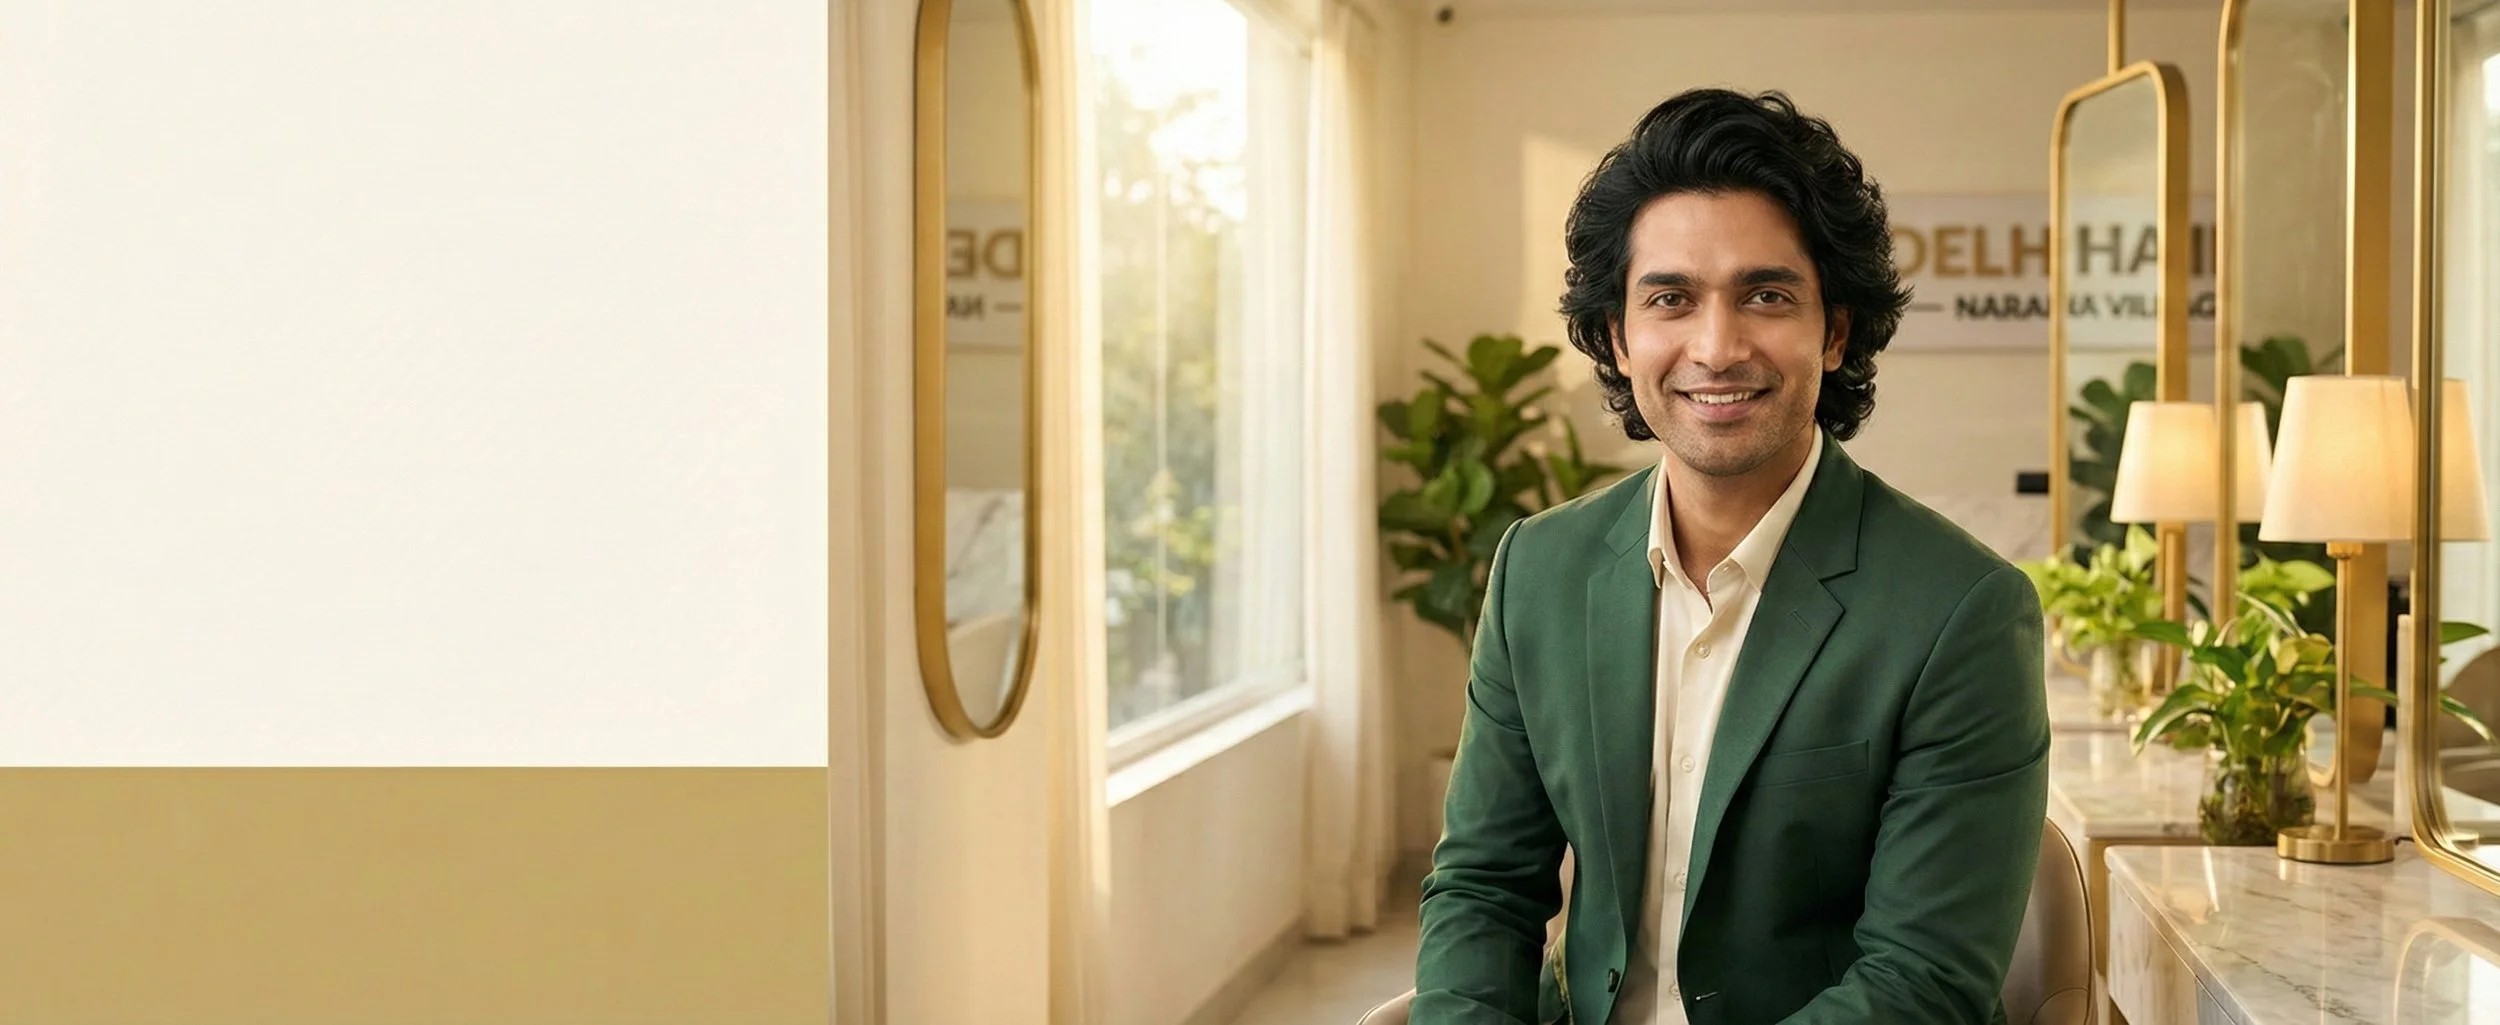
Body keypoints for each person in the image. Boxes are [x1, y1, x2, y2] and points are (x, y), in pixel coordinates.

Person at [1411, 88, 2050, 1025]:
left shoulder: (1965, 610)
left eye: (1766, 294)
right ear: (1620, 337)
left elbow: (1922, 981)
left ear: (1834, 331)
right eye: (1670, 298)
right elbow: (1483, 887)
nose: (1717, 347)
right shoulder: (1537, 572)